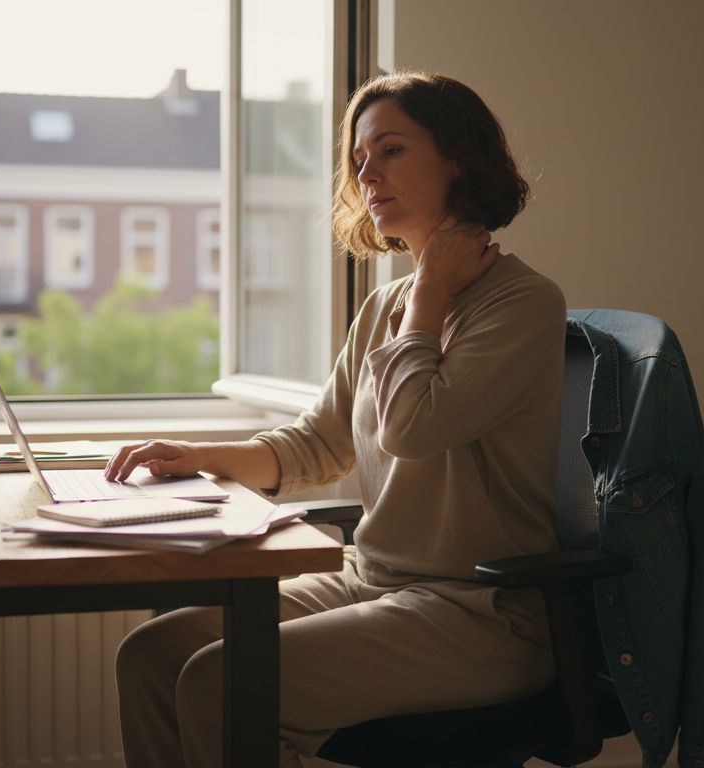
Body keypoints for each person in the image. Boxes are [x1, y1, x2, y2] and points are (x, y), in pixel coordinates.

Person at [108, 70, 568, 768]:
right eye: (359, 160)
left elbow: (413, 427)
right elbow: (316, 445)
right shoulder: (386, 308)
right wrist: (199, 455)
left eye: (390, 151)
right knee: (153, 652)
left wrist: (431, 292)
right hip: (373, 580)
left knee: (218, 680)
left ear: (458, 159)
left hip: (479, 614)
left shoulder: (523, 304)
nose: (366, 174)